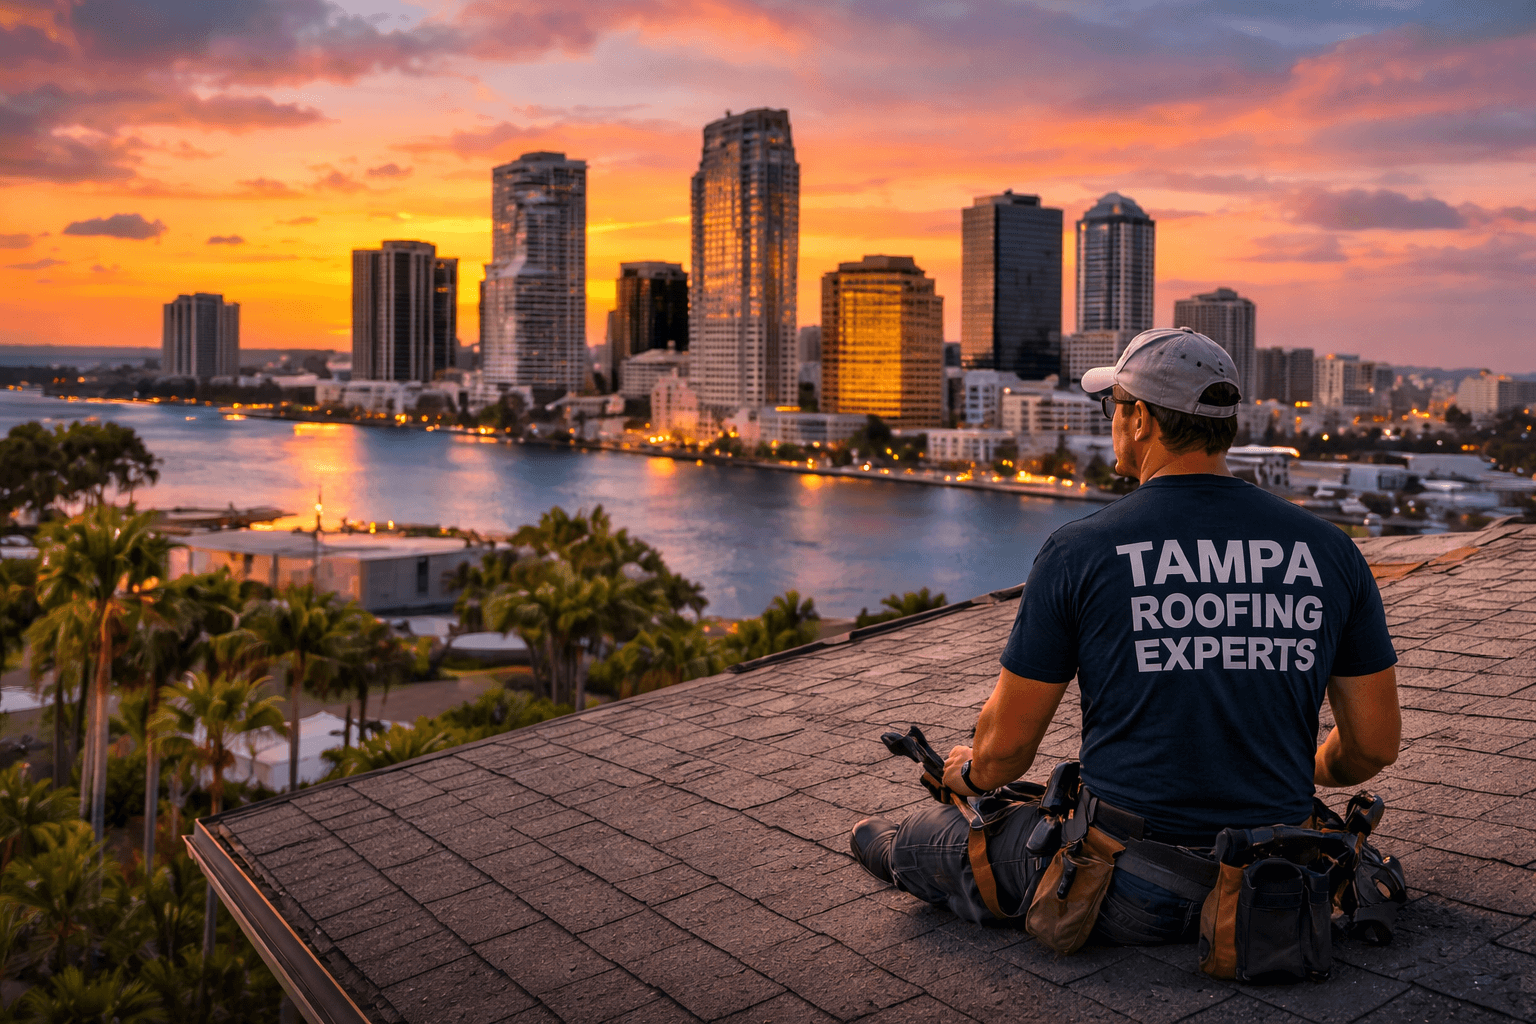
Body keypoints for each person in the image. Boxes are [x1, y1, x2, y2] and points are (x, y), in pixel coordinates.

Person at [849, 327, 1401, 944]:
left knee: (910, 841)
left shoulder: (1080, 551)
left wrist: (969, 774)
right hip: (1279, 878)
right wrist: (1302, 765)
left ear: (1140, 420)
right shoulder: (1330, 551)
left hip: (1128, 883)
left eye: (1113, 406)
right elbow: (1373, 746)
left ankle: (900, 851)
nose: (1112, 420)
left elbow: (1008, 750)